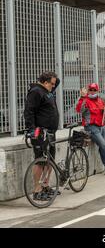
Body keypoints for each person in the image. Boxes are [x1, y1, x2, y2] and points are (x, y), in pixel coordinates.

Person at [24, 71, 60, 202]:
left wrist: (54, 79)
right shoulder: (36, 92)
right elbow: (29, 111)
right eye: (52, 84)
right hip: (40, 132)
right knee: (40, 160)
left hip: (50, 132)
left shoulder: (47, 91)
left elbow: (57, 81)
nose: (54, 86)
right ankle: (37, 190)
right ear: (45, 82)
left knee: (50, 160)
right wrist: (31, 129)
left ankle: (45, 185)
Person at [76, 83, 105, 175]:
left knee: (102, 146)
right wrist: (82, 98)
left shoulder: (100, 101)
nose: (92, 92)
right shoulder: (85, 100)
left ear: (97, 91)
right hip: (91, 127)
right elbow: (79, 109)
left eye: (94, 90)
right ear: (88, 91)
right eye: (90, 90)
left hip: (101, 126)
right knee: (103, 145)